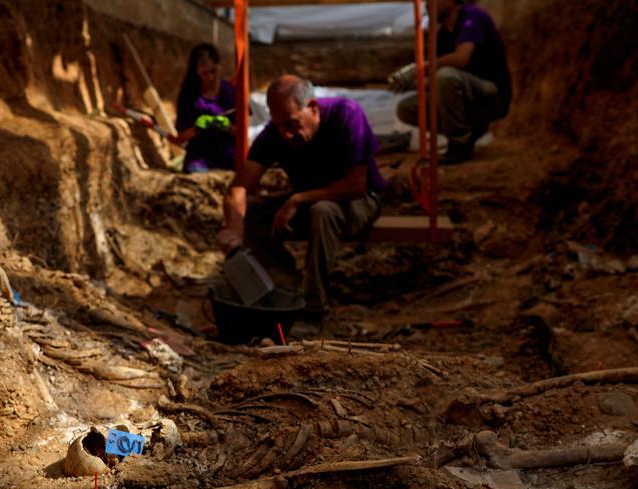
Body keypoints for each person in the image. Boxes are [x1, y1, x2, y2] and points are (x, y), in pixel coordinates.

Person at [217, 75, 386, 320]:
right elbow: (239, 188)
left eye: (292, 124)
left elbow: (356, 186)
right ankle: (285, 284)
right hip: (309, 204)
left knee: (323, 210)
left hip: (358, 202)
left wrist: (298, 199)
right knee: (251, 213)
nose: (286, 134)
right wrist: (234, 229)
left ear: (313, 108)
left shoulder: (346, 114)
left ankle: (314, 308)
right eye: (280, 126)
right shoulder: (276, 132)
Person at [392, 0, 511, 164]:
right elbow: (437, 84)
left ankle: (459, 144)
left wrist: (419, 68)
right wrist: (411, 84)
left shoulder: (472, 16)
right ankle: (470, 132)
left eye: (431, 1)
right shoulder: (443, 35)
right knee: (407, 108)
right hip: (464, 94)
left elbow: (461, 59)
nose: (427, 6)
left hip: (491, 94)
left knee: (446, 76)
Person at [171, 43, 236, 173]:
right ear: (196, 72)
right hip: (200, 158)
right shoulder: (189, 96)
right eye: (204, 73)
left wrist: (227, 126)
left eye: (213, 71)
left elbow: (242, 133)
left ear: (219, 66)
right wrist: (198, 128)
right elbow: (180, 138)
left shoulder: (232, 92)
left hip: (229, 157)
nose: (210, 77)